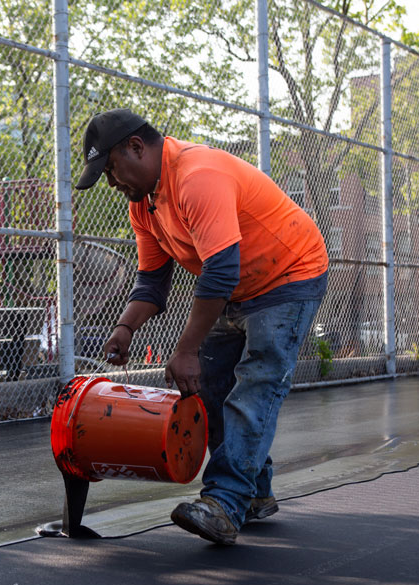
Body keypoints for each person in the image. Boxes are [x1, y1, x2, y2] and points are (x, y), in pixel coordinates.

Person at [74, 109, 329, 545]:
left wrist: (186, 347)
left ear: (136, 147)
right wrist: (125, 327)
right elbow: (153, 282)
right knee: (207, 389)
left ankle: (225, 501)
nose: (112, 183)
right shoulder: (145, 204)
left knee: (256, 385)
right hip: (235, 287)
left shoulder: (197, 175)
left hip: (289, 275)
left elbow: (220, 270)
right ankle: (255, 493)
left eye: (111, 169)